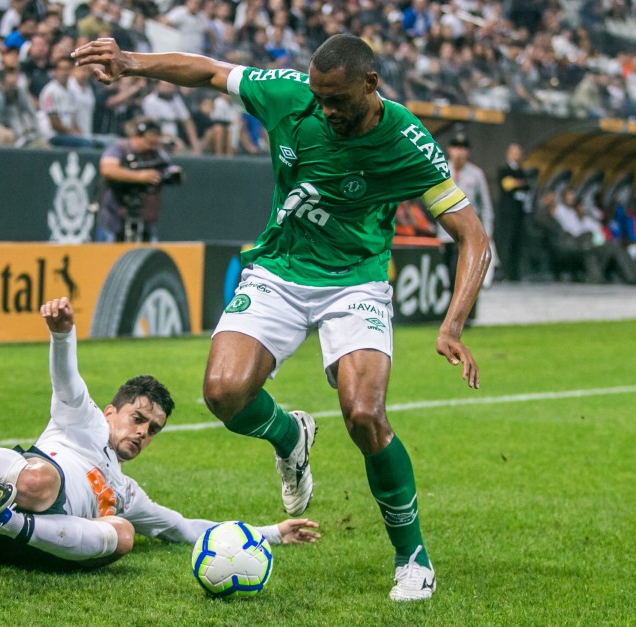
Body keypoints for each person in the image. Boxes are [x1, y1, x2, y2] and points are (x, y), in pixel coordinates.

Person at [73, 33, 491, 602]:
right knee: (223, 394)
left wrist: (452, 324)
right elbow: (209, 71)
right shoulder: (291, 95)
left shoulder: (409, 143)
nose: (325, 110)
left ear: (371, 85)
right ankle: (290, 436)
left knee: (365, 415)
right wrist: (131, 64)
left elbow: (473, 236)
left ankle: (412, 556)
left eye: (337, 99)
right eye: (319, 98)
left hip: (355, 281)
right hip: (280, 269)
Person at [0, 298, 320, 571]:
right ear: (111, 411)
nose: (142, 432)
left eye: (152, 430)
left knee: (127, 533)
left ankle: (7, 521)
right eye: (137, 418)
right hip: (18, 489)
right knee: (37, 480)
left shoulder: (127, 491)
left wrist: (271, 534)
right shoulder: (82, 421)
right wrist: (62, 334)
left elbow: (185, 529)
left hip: (30, 544)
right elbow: (67, 380)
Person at [95, 116, 181, 243]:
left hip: (145, 217)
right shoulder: (120, 148)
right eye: (149, 141)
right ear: (137, 137)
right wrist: (139, 177)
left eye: (156, 141)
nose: (152, 146)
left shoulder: (156, 152)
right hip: (116, 215)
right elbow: (107, 169)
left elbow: (172, 172)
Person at [436, 132, 494, 318]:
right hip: (446, 234)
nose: (459, 152)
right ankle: (455, 315)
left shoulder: (476, 174)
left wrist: (487, 231)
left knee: (466, 275)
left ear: (467, 152)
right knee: (451, 276)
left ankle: (467, 315)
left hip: (468, 234)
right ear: (449, 150)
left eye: (463, 148)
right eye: (456, 148)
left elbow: (485, 206)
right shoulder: (441, 169)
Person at [494, 142, 530, 281]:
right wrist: (519, 183)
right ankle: (505, 271)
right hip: (507, 214)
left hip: (519, 214)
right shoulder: (504, 169)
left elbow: (524, 186)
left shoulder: (521, 171)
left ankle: (515, 273)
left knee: (518, 243)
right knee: (506, 242)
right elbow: (507, 185)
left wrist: (518, 183)